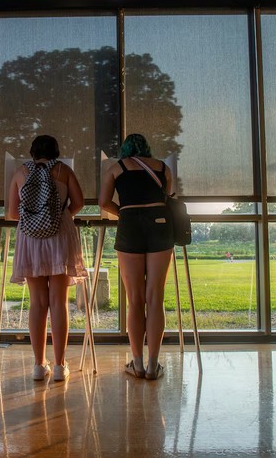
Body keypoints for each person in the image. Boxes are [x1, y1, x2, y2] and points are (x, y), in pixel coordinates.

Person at [9, 135, 86, 382]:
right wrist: (59, 217)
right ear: (56, 151)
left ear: (32, 152)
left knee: (37, 303)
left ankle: (39, 366)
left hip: (30, 239)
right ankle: (60, 366)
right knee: (59, 303)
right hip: (60, 236)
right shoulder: (64, 170)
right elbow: (79, 203)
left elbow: (12, 213)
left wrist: (36, 219)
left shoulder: (21, 172)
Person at [99, 134, 174, 380]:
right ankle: (153, 366)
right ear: (147, 148)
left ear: (125, 149)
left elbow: (103, 202)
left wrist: (123, 211)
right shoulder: (163, 167)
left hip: (129, 224)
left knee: (135, 299)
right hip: (160, 224)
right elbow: (167, 198)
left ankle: (138, 364)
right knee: (155, 298)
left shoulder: (115, 168)